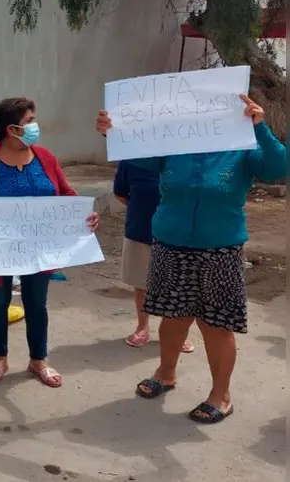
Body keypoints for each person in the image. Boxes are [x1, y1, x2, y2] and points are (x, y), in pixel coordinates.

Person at [96, 94, 285, 424]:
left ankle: (221, 396)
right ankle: (166, 373)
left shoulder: (242, 145)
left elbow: (279, 168)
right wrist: (114, 131)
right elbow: (137, 153)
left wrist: (260, 127)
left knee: (216, 325)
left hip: (220, 250)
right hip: (170, 246)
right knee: (173, 317)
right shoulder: (175, 143)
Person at [0, 97, 99, 388]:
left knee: (37, 303)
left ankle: (38, 360)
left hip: (39, 246)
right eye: (29, 121)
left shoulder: (45, 157)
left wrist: (85, 215)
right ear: (11, 129)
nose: (35, 126)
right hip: (0, 247)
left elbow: (66, 193)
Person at [114, 162, 195, 353]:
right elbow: (120, 193)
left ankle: (177, 332)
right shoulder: (132, 161)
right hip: (141, 228)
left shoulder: (184, 158)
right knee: (141, 281)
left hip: (178, 233)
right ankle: (142, 327)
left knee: (178, 284)